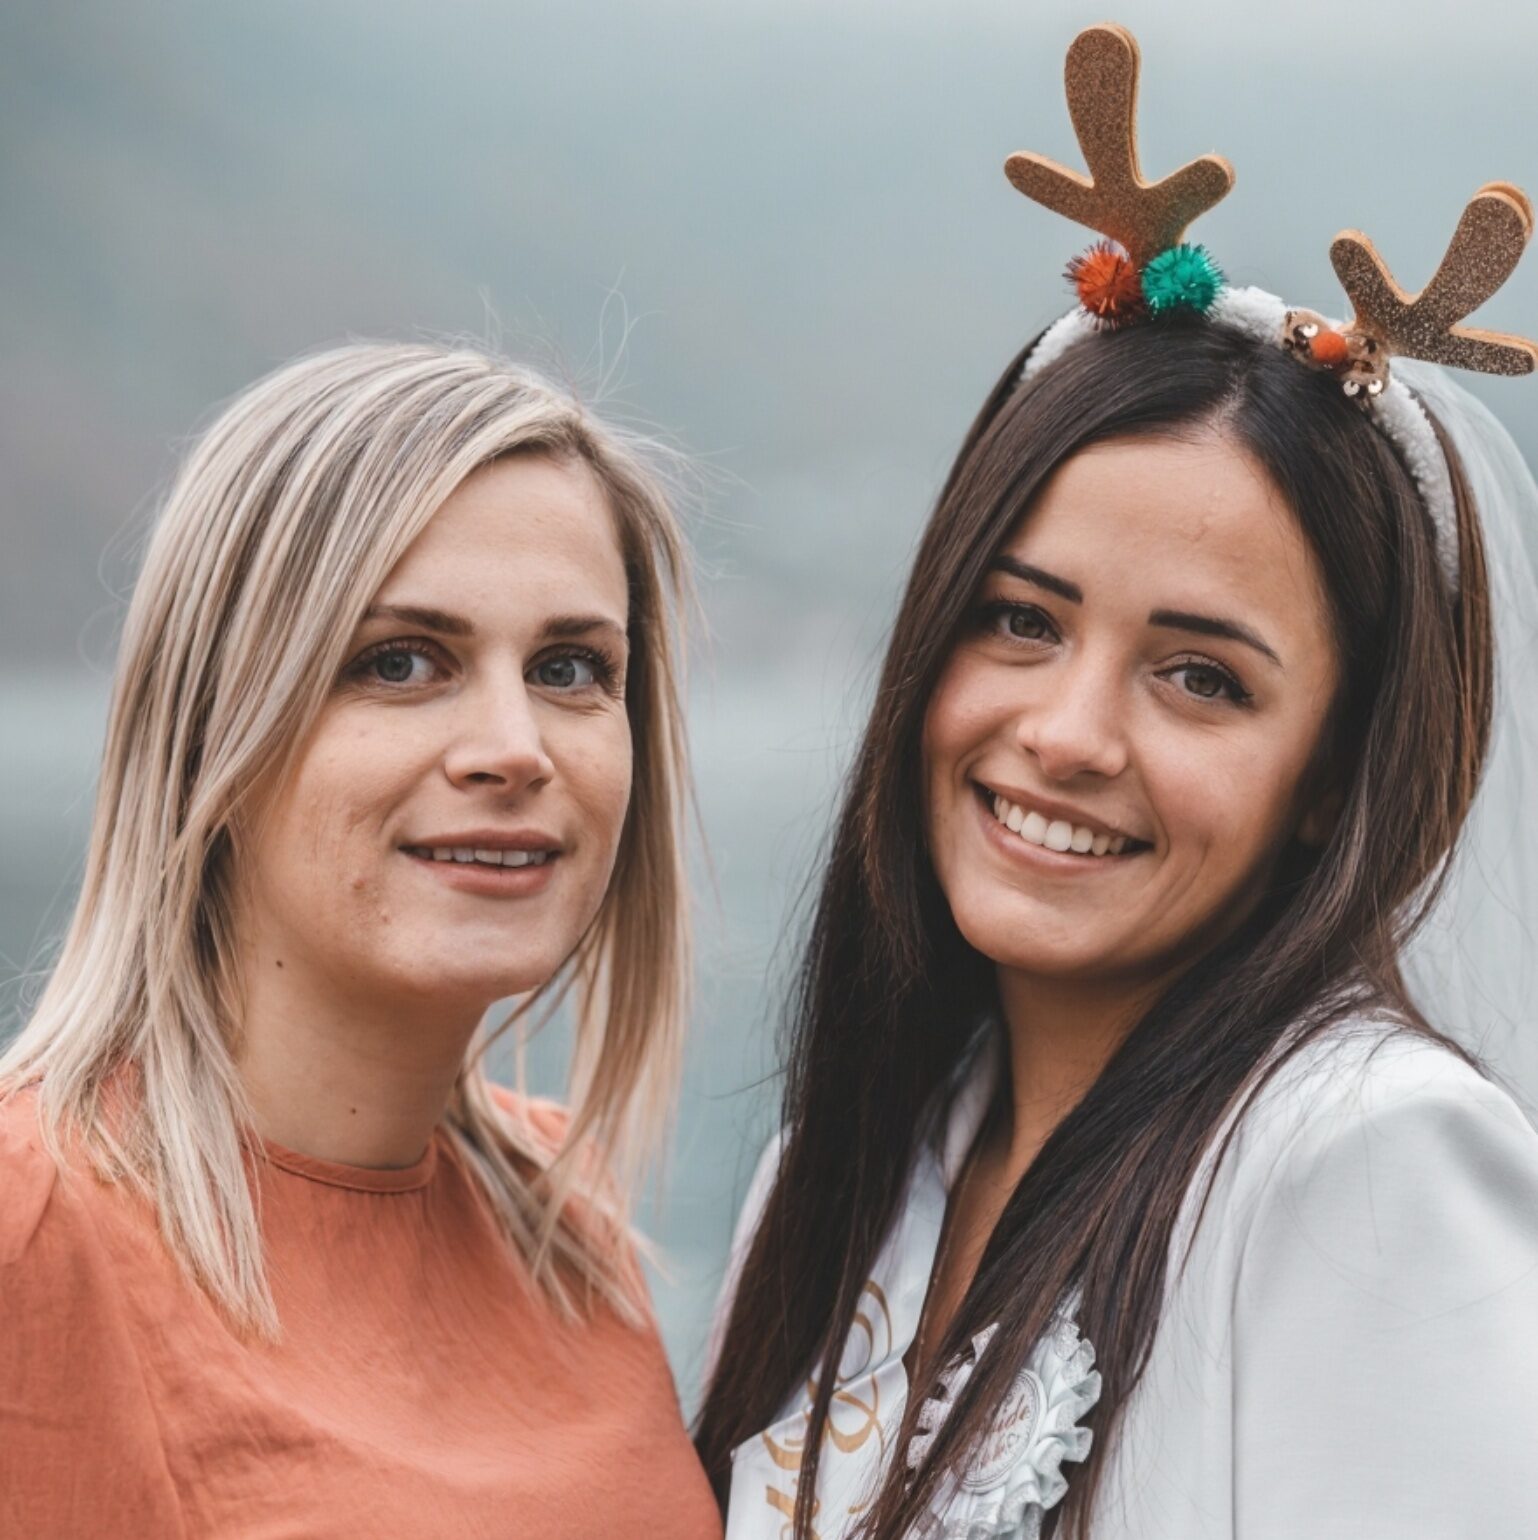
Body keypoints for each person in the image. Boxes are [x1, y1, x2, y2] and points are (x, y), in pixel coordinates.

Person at [696, 25, 1538, 1540]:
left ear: (1328, 777)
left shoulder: (1356, 1163)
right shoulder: (834, 1179)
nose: (1070, 732)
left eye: (1199, 675)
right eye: (1019, 620)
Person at [0, 342, 723, 1538]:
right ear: (212, 728)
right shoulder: (35, 1233)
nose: (515, 745)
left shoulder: (565, 1220)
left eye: (569, 667)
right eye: (399, 661)